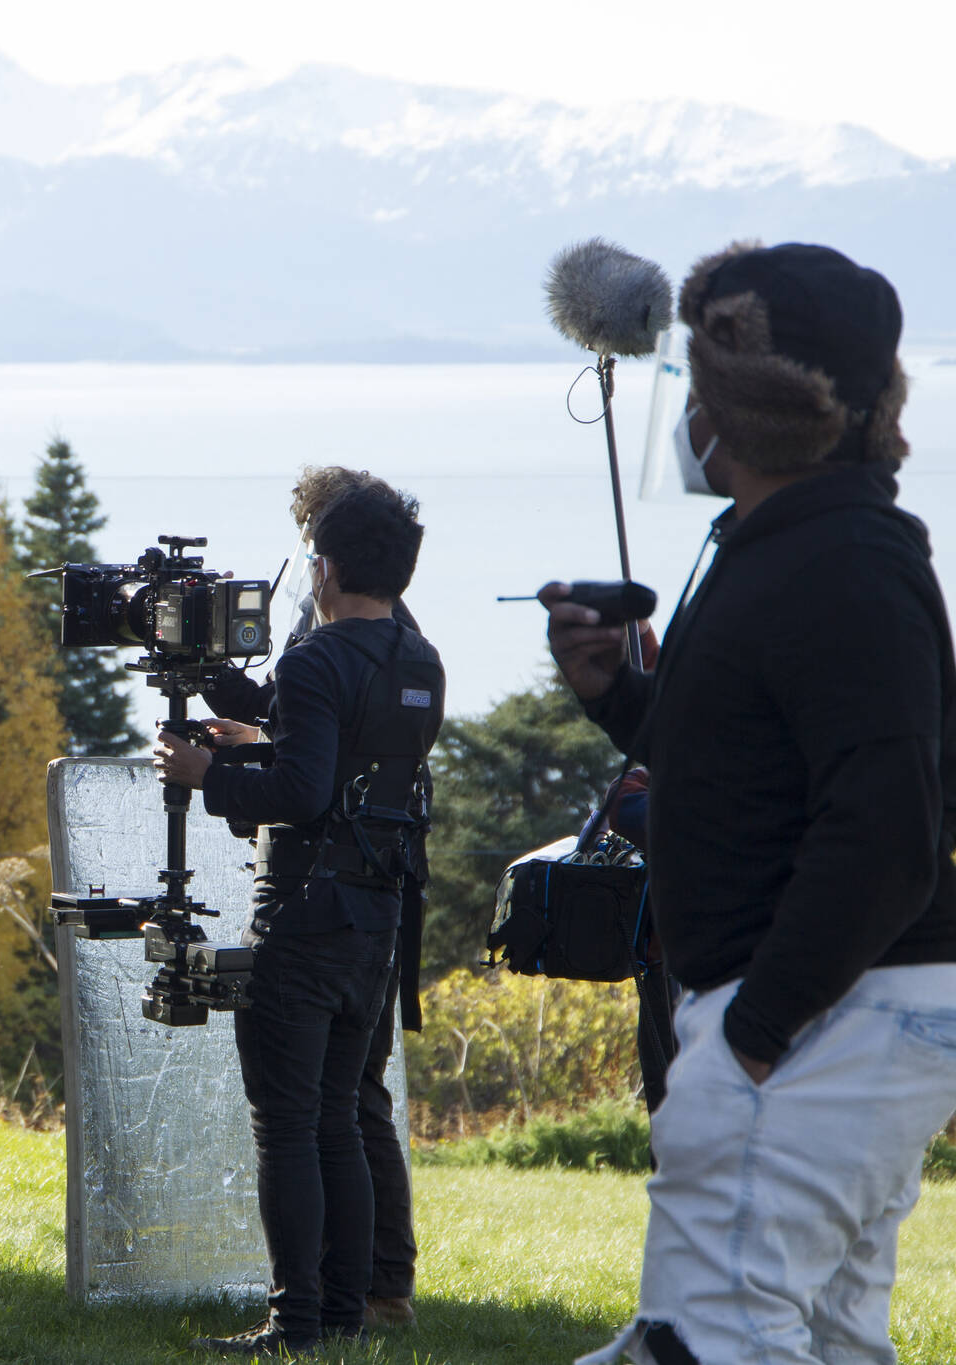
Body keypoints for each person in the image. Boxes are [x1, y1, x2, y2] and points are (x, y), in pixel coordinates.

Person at [543, 243, 956, 1365]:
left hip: (817, 1016)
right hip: (844, 1012)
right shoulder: (794, 547)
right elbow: (746, 772)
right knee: (819, 1341)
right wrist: (619, 698)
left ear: (748, 407)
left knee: (707, 1338)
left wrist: (753, 1036)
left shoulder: (842, 565)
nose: (689, 412)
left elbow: (886, 831)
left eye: (700, 384)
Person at [158, 480, 444, 1355]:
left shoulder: (316, 658)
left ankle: (294, 1322)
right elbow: (329, 742)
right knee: (338, 1118)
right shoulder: (416, 656)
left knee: (286, 1122)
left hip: (304, 910)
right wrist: (233, 696)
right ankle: (348, 1315)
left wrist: (206, 775)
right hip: (376, 914)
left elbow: (300, 787)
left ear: (325, 566)